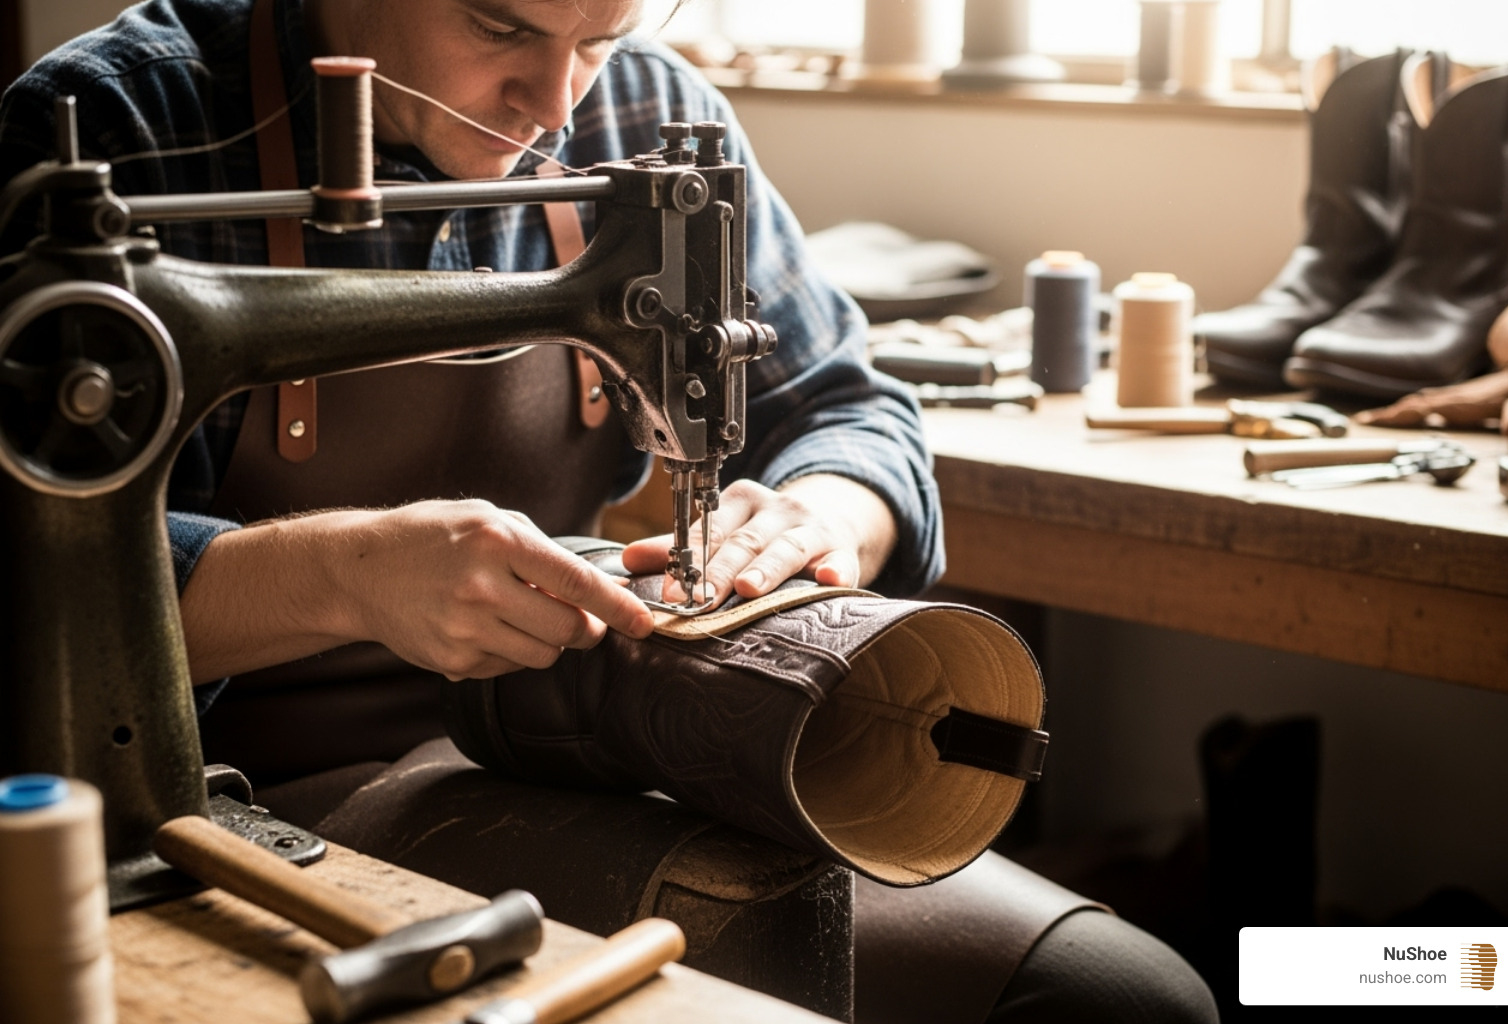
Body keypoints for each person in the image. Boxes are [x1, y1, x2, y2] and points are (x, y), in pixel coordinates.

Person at [0, 2, 1218, 1021]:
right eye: (502, 27)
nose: (557, 103)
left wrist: (821, 512)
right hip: (225, 800)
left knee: (1116, 996)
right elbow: (23, 571)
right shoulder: (120, 126)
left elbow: (845, 403)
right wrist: (346, 574)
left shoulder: (644, 111)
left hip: (579, 745)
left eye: (600, 36)